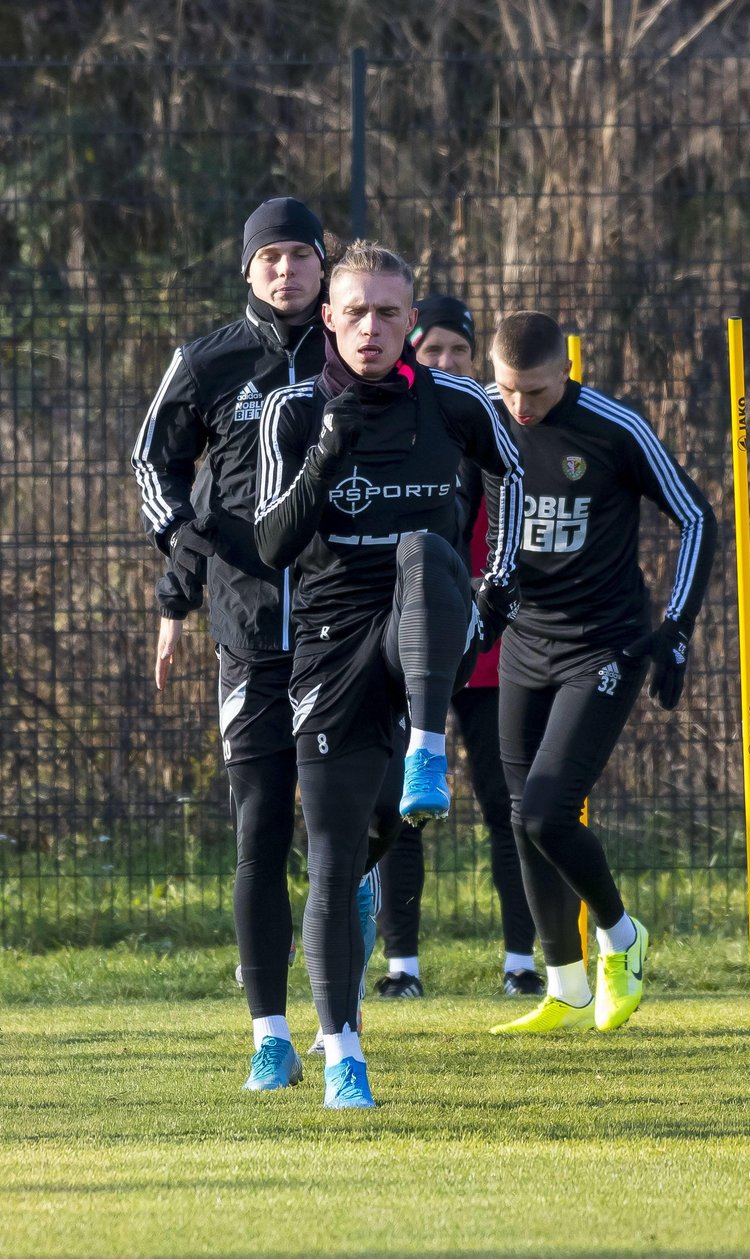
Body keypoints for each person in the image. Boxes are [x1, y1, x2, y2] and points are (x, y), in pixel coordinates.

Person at [254, 242, 523, 1108]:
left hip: (425, 629)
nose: (372, 327)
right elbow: (269, 543)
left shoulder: (457, 403)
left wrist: (498, 588)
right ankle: (343, 1059)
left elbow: (513, 476)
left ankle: (425, 751)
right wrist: (326, 456)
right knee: (339, 859)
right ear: (328, 318)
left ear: (415, 323)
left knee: (422, 553)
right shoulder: (295, 411)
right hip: (332, 642)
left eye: (389, 312)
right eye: (356, 311)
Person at [132, 196, 378, 1093]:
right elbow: (151, 466)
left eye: (300, 256)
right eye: (268, 257)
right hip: (248, 629)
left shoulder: (353, 350)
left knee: (349, 838)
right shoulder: (206, 361)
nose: (285, 271)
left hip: (346, 627)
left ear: (324, 266)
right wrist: (187, 558)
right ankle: (271, 1036)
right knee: (261, 830)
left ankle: (344, 1016)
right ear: (247, 269)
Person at [485, 311, 717, 1037]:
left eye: (536, 391)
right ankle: (566, 987)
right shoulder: (481, 417)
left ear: (565, 373)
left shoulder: (615, 427)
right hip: (524, 642)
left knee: (550, 811)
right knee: (522, 820)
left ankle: (623, 937)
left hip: (604, 646)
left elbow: (698, 516)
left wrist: (675, 629)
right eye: (508, 390)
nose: (521, 407)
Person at [375, 295, 542, 999]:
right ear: (413, 351)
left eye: (458, 351)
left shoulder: (497, 429)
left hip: (491, 651)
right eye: (433, 349)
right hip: (411, 648)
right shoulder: (399, 426)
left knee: (509, 806)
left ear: (478, 360)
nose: (446, 362)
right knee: (401, 803)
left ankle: (521, 960)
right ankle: (401, 966)